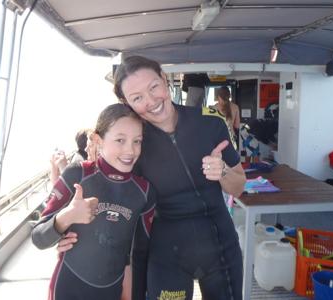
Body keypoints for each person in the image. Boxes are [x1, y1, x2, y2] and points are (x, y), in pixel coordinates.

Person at [60, 56, 246, 300]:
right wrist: (68, 229)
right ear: (126, 102)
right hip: (167, 255)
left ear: (164, 78)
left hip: (221, 248)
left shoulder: (210, 121)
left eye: (154, 87)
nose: (151, 101)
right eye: (137, 98)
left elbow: (239, 186)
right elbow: (107, 191)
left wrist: (222, 171)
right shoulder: (134, 144)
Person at [32, 103, 156, 300]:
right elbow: (38, 238)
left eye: (137, 141)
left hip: (114, 289)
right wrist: (67, 217)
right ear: (98, 140)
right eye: (120, 140)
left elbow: (136, 253)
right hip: (68, 288)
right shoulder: (78, 174)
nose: (130, 150)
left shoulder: (144, 191)